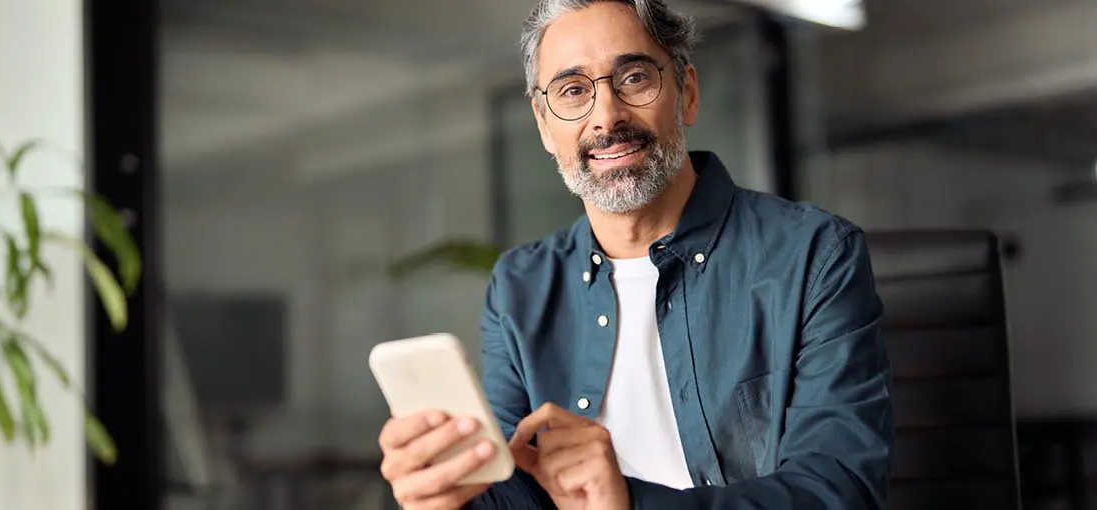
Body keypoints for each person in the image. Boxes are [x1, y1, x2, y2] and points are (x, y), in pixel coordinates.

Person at [376, 0, 892, 508]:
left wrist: (625, 501)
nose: (607, 117)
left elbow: (838, 490)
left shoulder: (814, 256)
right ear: (543, 126)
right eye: (573, 91)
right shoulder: (521, 284)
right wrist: (450, 495)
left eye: (635, 78)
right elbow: (515, 491)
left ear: (686, 93)